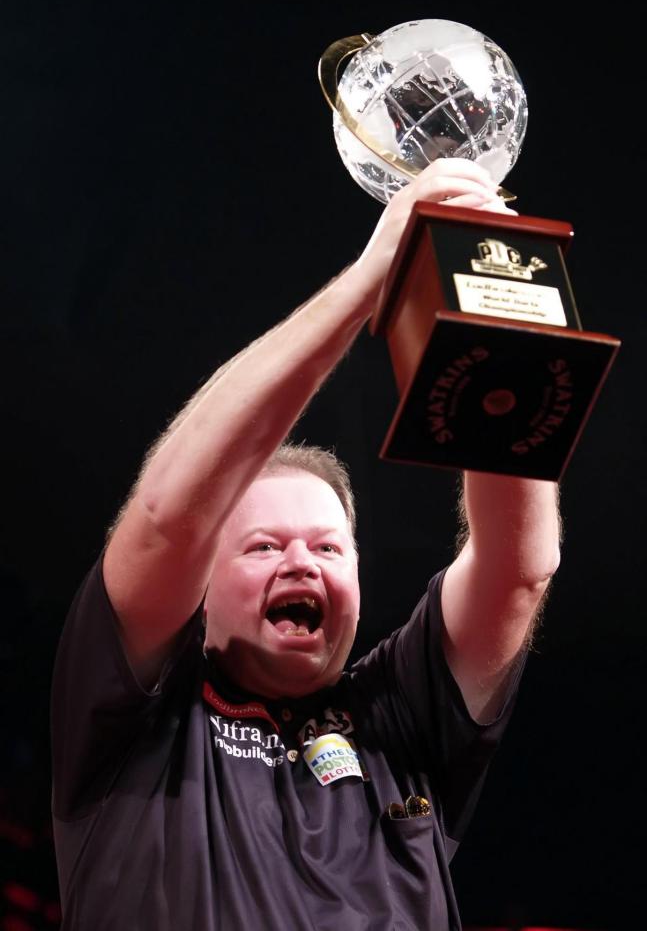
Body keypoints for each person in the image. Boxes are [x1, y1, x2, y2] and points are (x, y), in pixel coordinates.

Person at [51, 158, 561, 930]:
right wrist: (370, 279)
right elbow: (166, 518)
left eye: (327, 548)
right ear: (201, 584)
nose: (299, 561)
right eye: (261, 546)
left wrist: (497, 331)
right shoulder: (133, 713)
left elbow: (517, 572)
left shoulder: (400, 719)